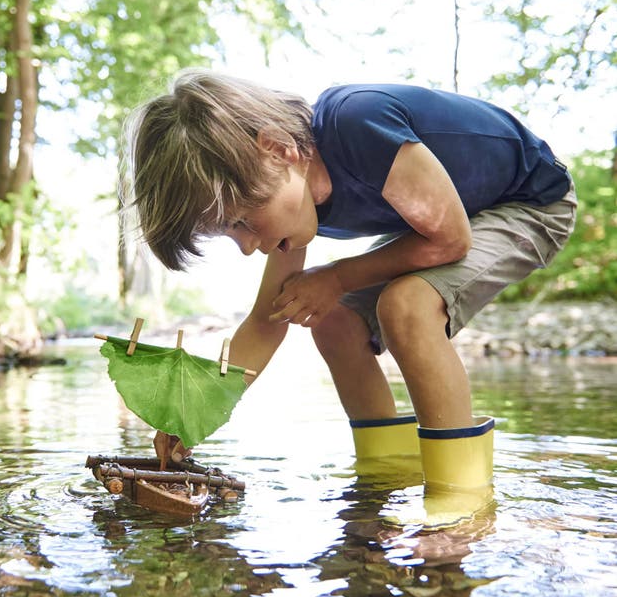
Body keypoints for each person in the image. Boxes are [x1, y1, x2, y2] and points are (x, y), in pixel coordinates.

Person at [124, 69, 577, 491]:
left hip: (530, 203)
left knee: (406, 306)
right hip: (444, 224)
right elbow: (268, 320)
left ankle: (460, 493)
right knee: (333, 320)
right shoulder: (296, 198)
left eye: (242, 219)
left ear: (278, 149)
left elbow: (450, 241)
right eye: (228, 233)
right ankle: (388, 474)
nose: (245, 246)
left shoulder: (357, 123)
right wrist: (195, 409)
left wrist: (337, 276)